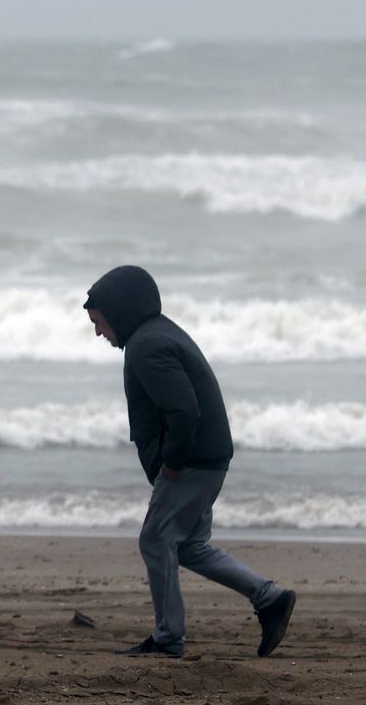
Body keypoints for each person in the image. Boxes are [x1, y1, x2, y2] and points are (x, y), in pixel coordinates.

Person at [83, 265, 296, 658]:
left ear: (119, 310)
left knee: (155, 539)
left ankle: (167, 640)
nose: (98, 331)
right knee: (190, 545)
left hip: (193, 461)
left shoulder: (148, 346)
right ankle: (270, 598)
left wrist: (172, 464)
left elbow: (184, 411)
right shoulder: (157, 335)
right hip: (208, 458)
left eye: (99, 321)